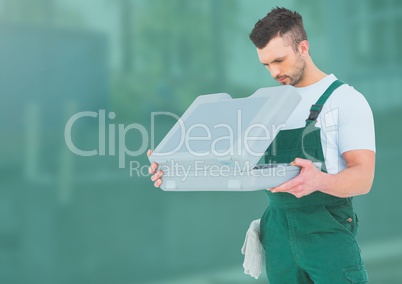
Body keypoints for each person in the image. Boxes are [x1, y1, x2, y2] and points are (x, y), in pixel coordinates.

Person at [149, 6, 375, 284]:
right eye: (266, 64)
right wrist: (172, 167)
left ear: (303, 47)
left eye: (279, 60)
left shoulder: (345, 100)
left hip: (326, 228)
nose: (273, 72)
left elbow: (363, 178)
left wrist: (319, 182)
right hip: (277, 232)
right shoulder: (267, 107)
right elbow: (228, 163)